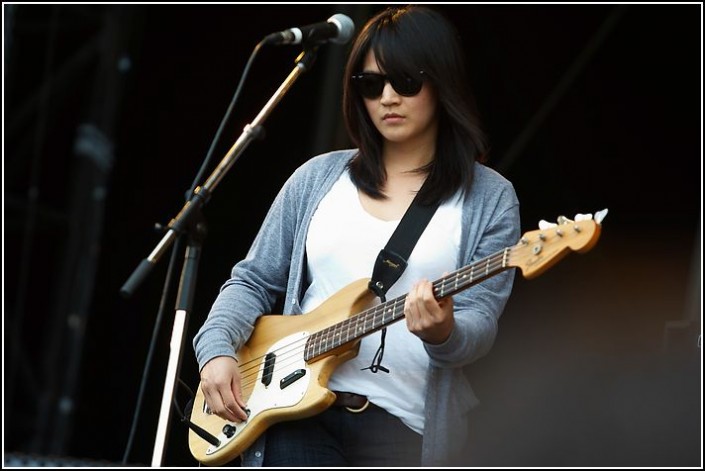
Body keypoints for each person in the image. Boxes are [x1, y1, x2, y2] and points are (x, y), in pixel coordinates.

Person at [193, 5, 520, 467]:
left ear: (442, 81)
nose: (387, 97)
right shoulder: (317, 178)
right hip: (294, 416)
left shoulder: (490, 197)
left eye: (405, 81)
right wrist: (216, 351)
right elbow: (252, 280)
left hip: (403, 428)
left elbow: (481, 323)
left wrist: (444, 331)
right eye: (371, 84)